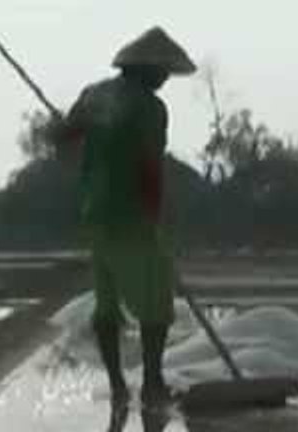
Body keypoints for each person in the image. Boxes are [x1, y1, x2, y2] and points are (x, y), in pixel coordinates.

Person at [52, 27, 197, 407]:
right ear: (146, 69)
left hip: (96, 213)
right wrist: (155, 214)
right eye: (162, 71)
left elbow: (61, 137)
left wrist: (67, 128)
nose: (165, 79)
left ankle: (118, 385)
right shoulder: (149, 107)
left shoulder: (94, 95)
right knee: (156, 306)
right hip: (132, 214)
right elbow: (150, 166)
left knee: (107, 302)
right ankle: (152, 383)